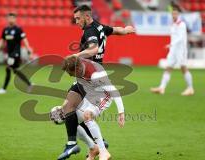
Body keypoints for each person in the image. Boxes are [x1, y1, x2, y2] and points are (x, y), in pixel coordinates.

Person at [58, 5, 135, 160]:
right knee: (70, 112)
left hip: (91, 76)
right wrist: (126, 30)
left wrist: (76, 56)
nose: (77, 22)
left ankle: (80, 144)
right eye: (75, 19)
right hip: (86, 75)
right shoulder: (100, 27)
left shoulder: (90, 31)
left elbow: (93, 49)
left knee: (70, 110)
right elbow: (116, 30)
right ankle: (92, 145)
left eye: (78, 18)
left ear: (87, 16)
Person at [62, 55, 125, 160]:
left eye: (71, 73)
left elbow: (113, 91)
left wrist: (121, 112)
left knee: (87, 115)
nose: (70, 75)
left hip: (104, 95)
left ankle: (103, 152)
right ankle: (93, 148)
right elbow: (76, 84)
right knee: (70, 118)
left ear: (77, 69)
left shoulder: (96, 75)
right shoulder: (78, 65)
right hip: (91, 94)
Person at [150, 7, 194, 96]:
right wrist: (172, 46)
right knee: (168, 67)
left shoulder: (181, 24)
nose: (174, 15)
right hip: (173, 50)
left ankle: (190, 88)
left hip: (181, 50)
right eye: (172, 14)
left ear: (179, 14)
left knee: (183, 67)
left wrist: (171, 44)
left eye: (175, 14)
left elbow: (181, 37)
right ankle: (162, 88)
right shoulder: (173, 24)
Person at [0, 13, 33, 94]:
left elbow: (24, 39)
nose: (11, 20)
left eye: (12, 18)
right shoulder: (5, 29)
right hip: (10, 53)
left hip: (16, 53)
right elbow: (2, 40)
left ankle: (3, 89)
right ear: (7, 19)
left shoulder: (18, 29)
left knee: (8, 68)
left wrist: (29, 49)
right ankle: (29, 84)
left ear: (15, 19)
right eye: (9, 18)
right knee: (15, 70)